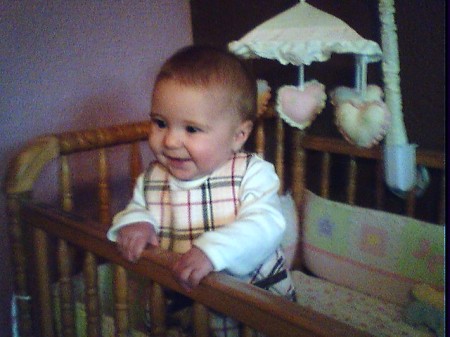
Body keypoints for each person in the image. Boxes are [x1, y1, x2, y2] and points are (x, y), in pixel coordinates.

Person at [107, 45, 295, 336]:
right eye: (160, 123)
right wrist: (136, 222)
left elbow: (266, 225)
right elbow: (139, 207)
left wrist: (212, 251)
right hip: (183, 304)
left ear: (238, 136)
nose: (169, 141)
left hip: (252, 306)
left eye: (191, 129)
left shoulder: (252, 174)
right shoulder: (153, 177)